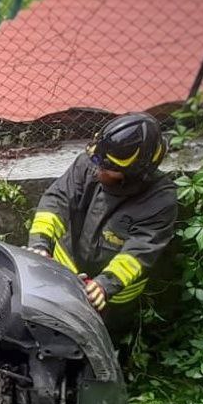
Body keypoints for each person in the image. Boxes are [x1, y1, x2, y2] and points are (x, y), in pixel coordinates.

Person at [26, 112, 178, 334]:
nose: (97, 169)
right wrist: (40, 244)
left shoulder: (160, 200)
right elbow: (57, 200)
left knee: (103, 338)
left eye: (106, 167)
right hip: (65, 270)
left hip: (114, 299)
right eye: (96, 160)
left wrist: (106, 285)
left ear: (132, 173)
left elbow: (140, 251)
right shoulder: (88, 163)